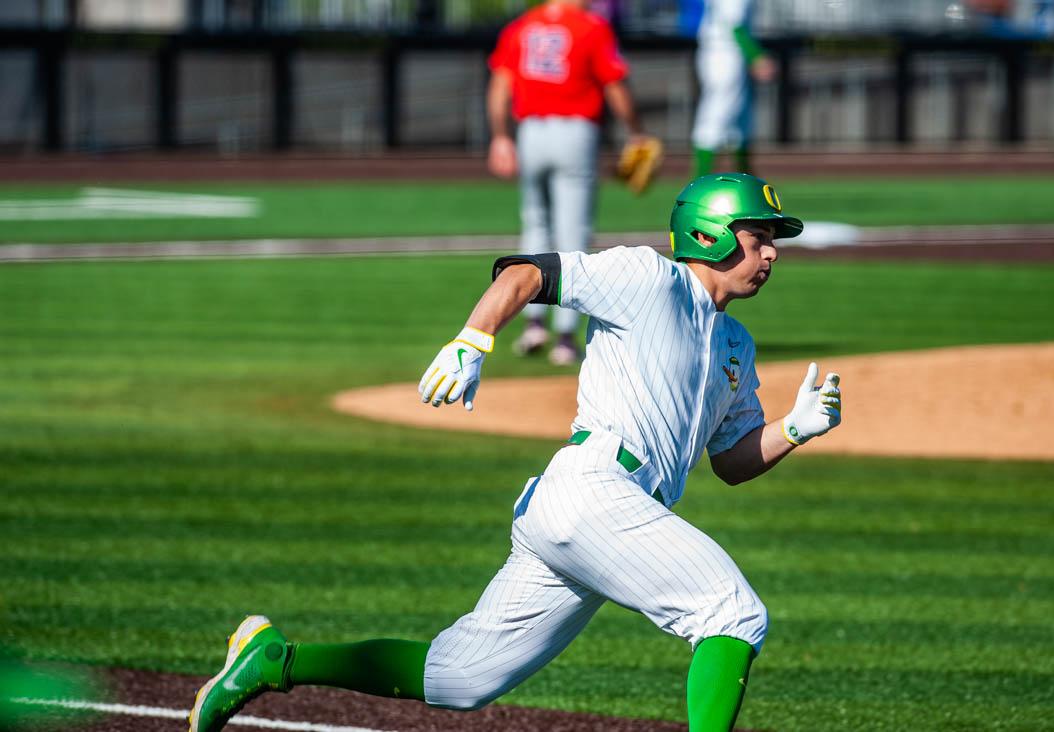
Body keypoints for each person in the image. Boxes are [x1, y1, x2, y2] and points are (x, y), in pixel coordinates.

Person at [187, 173, 843, 732]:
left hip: (602, 516)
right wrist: (473, 340)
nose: (772, 253)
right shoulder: (644, 277)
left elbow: (730, 462)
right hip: (594, 490)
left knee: (456, 678)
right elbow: (528, 273)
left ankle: (275, 660)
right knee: (730, 611)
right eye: (761, 236)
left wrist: (794, 428)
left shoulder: (736, 346)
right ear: (710, 233)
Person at [486, 0, 649, 366]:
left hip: (531, 131)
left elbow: (499, 86)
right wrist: (637, 131)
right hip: (575, 131)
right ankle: (564, 336)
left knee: (535, 226)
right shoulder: (590, 26)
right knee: (573, 234)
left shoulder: (522, 26)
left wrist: (500, 136)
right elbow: (615, 86)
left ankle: (532, 322)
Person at [692, 0, 776, 177]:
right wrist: (756, 56)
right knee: (714, 119)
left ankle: (749, 182)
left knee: (739, 122)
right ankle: (698, 183)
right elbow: (735, 25)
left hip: (724, 52)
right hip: (724, 54)